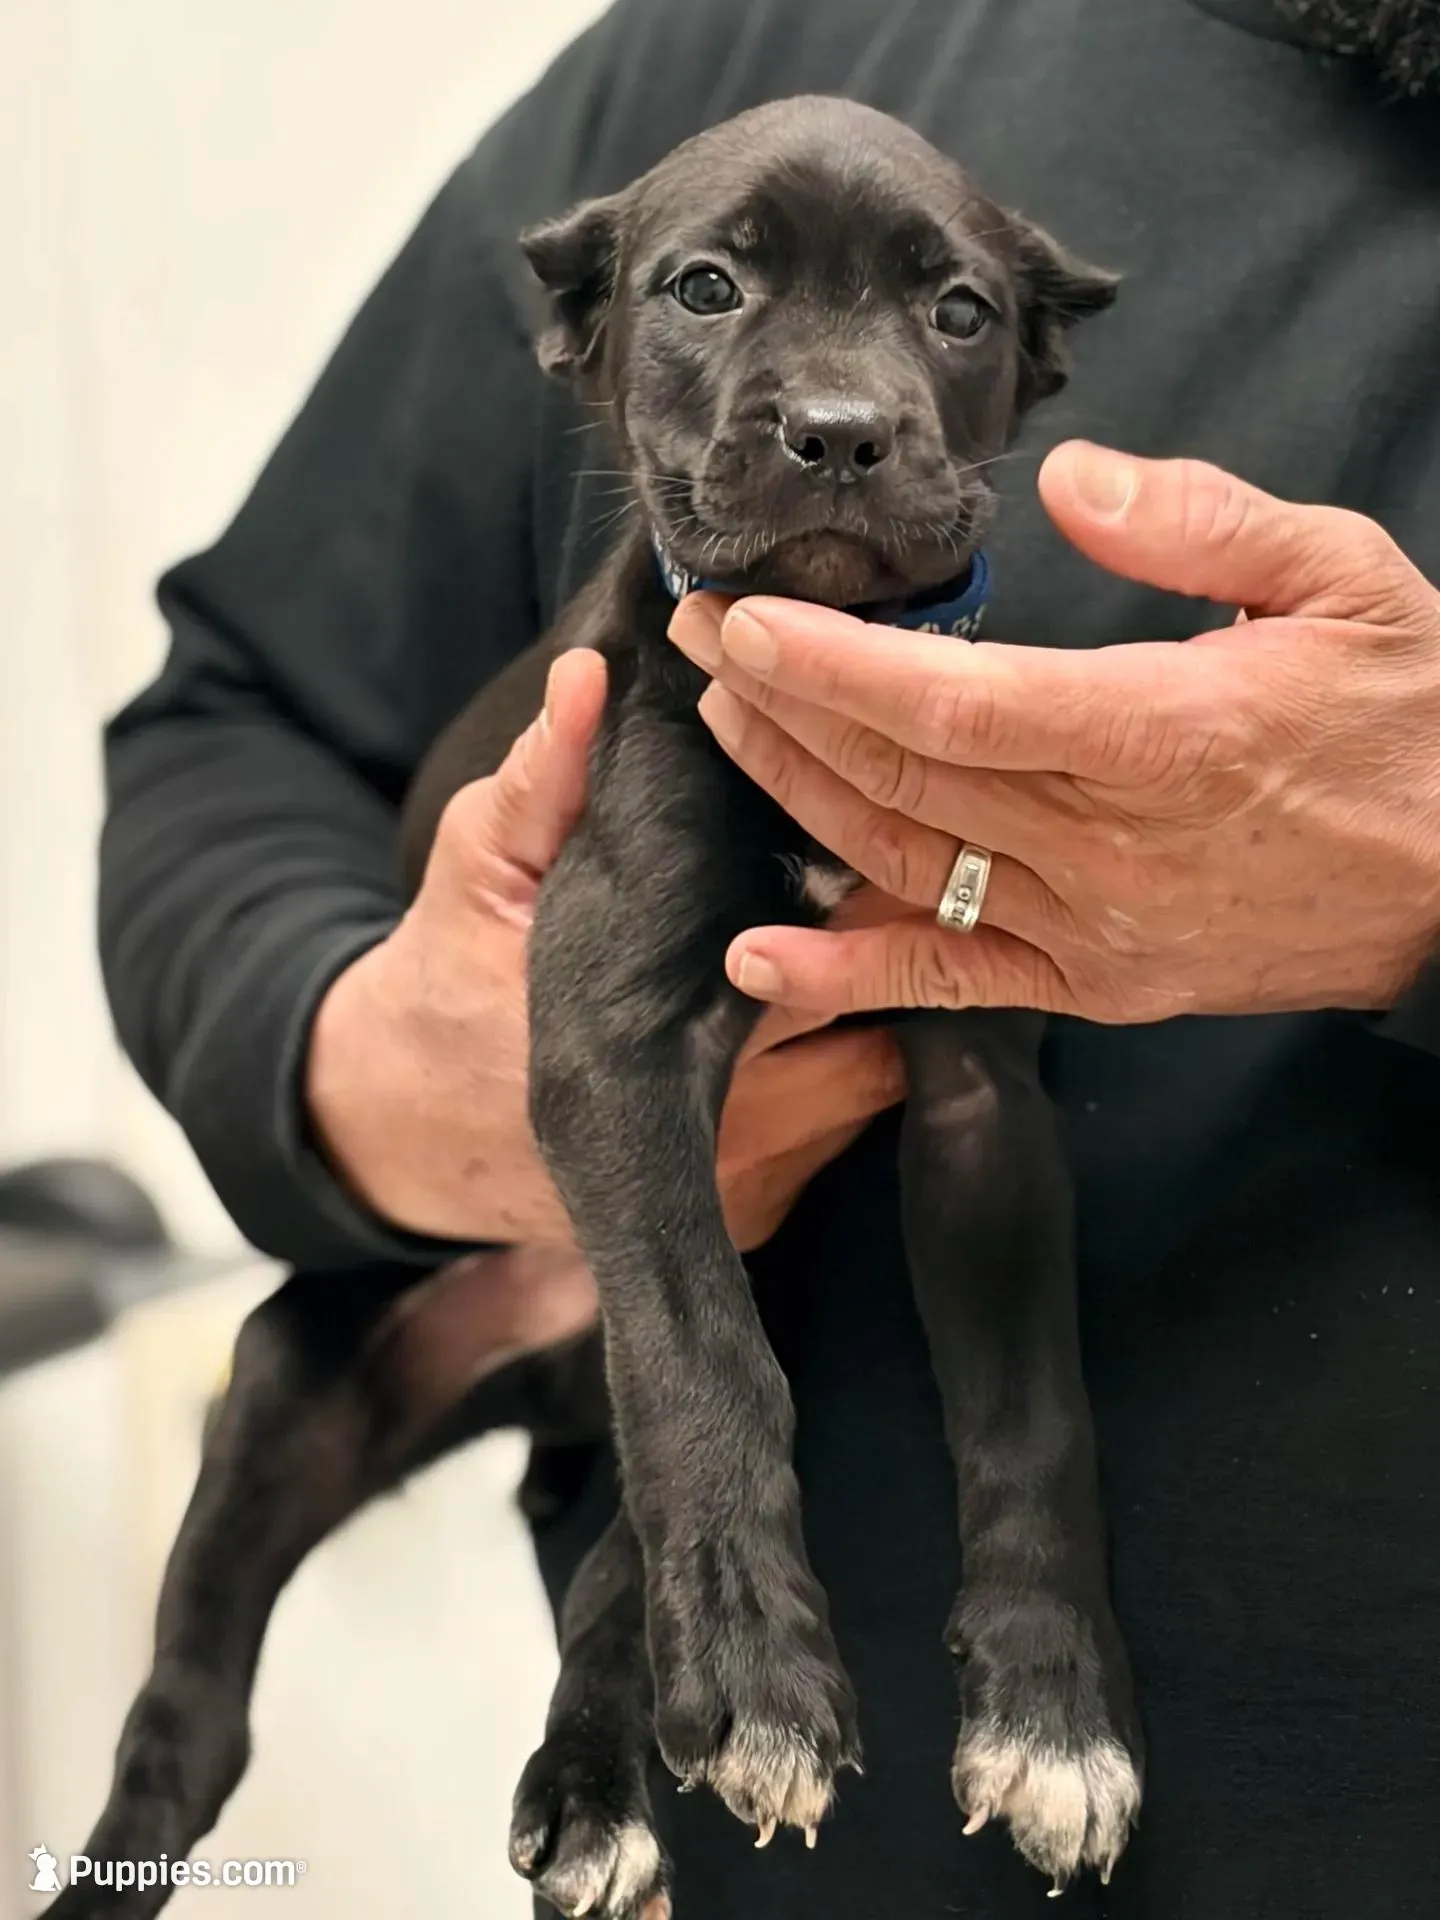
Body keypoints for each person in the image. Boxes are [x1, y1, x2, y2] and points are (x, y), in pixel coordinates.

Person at [98, 1, 1440, 1914]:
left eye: (950, 315)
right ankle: (140, 1851)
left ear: (1038, 355)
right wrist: (362, 1078)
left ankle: (610, 1714)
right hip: (760, 1773)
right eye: (716, 292)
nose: (836, 401)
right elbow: (231, 726)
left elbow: (976, 1114)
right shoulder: (733, 43)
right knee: (269, 1479)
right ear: (587, 329)